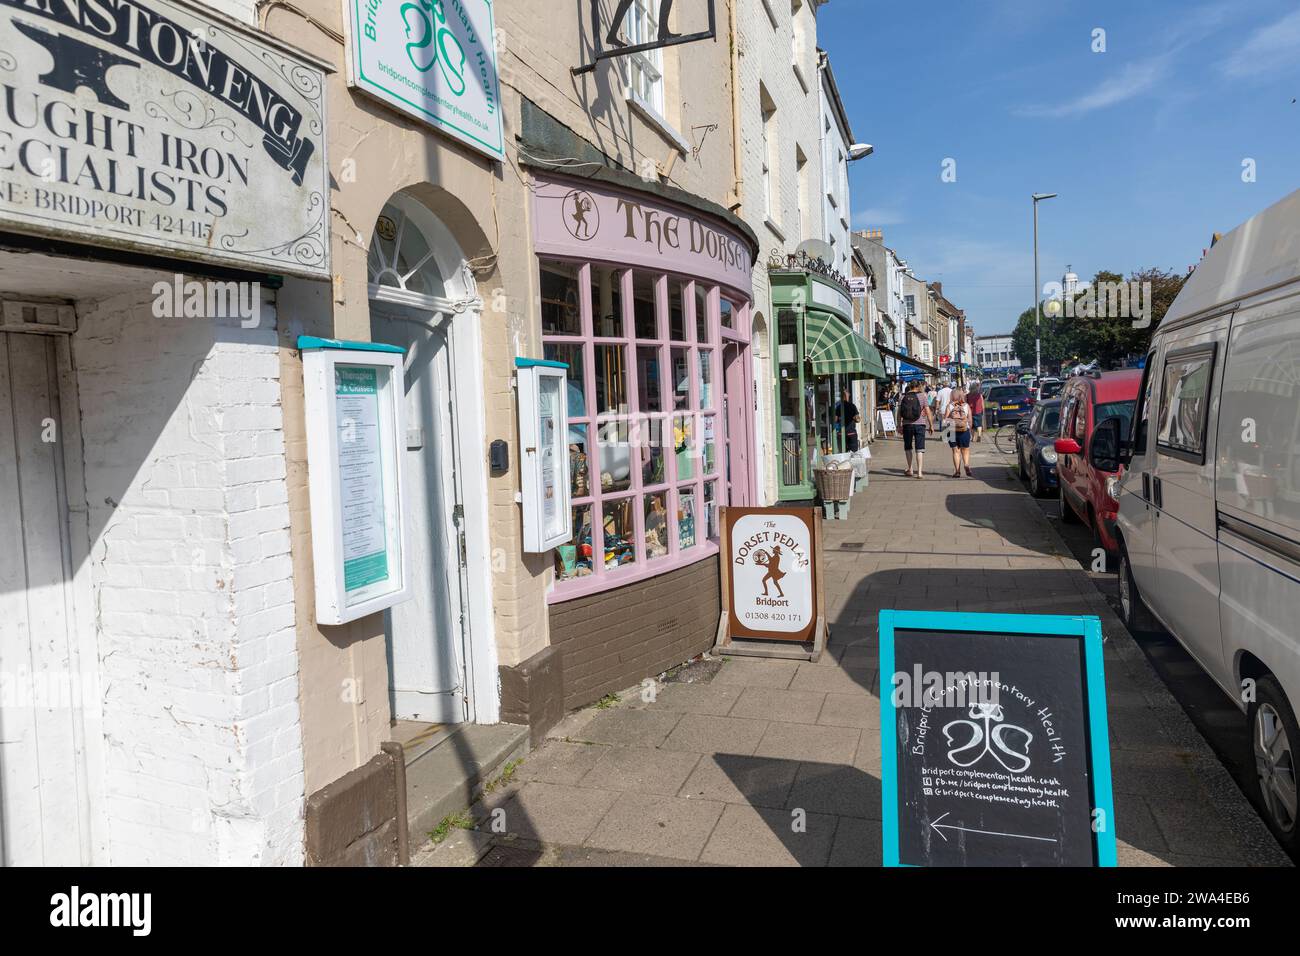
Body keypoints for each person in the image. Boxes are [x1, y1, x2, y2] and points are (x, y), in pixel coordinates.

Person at [898, 380, 934, 478]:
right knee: (920, 448)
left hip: (907, 424)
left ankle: (910, 469)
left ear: (910, 386)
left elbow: (899, 413)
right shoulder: (923, 396)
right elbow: (928, 411)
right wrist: (931, 425)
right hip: (920, 425)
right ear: (918, 386)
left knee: (908, 447)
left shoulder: (902, 396)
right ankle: (919, 472)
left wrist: (899, 425)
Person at [945, 388, 974, 478]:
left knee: (955, 451)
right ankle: (966, 465)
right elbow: (970, 419)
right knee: (965, 450)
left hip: (952, 431)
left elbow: (945, 420)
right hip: (964, 430)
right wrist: (970, 430)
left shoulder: (949, 406)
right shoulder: (966, 406)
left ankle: (957, 471)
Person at [834, 386, 861, 452]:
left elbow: (835, 420)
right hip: (851, 433)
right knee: (854, 454)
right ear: (848, 395)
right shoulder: (852, 406)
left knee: (843, 453)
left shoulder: (838, 407)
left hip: (841, 434)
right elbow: (858, 420)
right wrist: (855, 418)